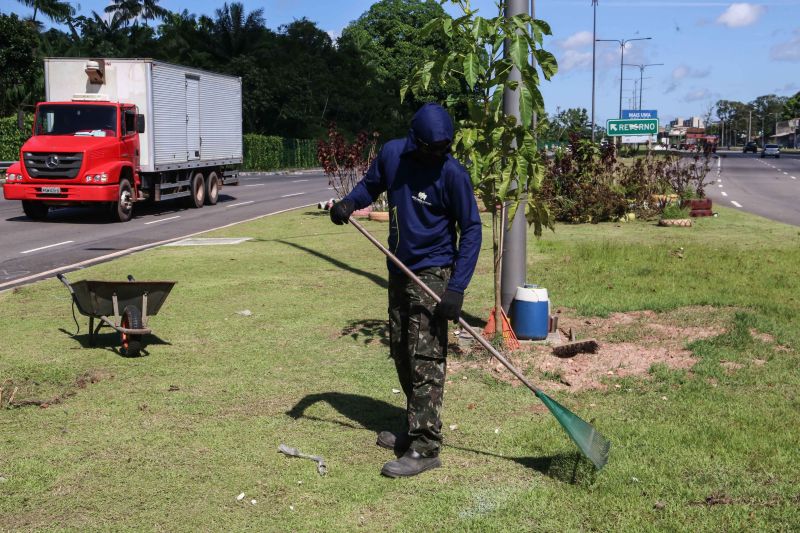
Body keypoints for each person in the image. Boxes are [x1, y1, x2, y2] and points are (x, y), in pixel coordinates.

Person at [329, 103, 482, 478]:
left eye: (442, 149)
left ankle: (426, 446)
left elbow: (473, 230)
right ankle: (414, 425)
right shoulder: (394, 153)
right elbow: (371, 184)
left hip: (433, 272)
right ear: (415, 140)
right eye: (431, 149)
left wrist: (456, 289)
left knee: (426, 358)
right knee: (401, 350)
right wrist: (350, 203)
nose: (437, 156)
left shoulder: (453, 173)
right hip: (398, 269)